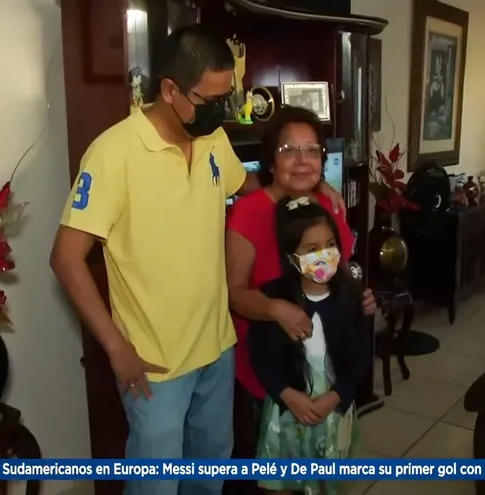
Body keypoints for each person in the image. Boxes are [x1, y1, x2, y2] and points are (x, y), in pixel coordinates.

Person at [49, 26, 344, 495]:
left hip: (216, 346)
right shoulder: (113, 153)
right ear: (169, 90)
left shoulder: (210, 139)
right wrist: (115, 348)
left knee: (210, 475)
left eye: (227, 97)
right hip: (154, 364)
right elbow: (66, 258)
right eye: (211, 99)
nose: (222, 110)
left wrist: (309, 187)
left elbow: (247, 188)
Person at [224, 106, 375, 467]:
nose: (302, 160)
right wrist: (276, 309)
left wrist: (361, 298)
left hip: (329, 368)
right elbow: (233, 292)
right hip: (272, 368)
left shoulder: (329, 205)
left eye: (312, 151)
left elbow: (341, 275)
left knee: (326, 463)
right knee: (280, 468)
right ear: (270, 161)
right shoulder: (248, 212)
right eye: (289, 150)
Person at [249, 196, 364, 495]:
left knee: (329, 482)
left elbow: (361, 358)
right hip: (287, 411)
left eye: (329, 244)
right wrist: (287, 395)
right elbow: (261, 357)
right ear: (292, 257)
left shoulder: (351, 298)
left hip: (334, 409)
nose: (324, 255)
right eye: (312, 250)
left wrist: (336, 397)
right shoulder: (274, 300)